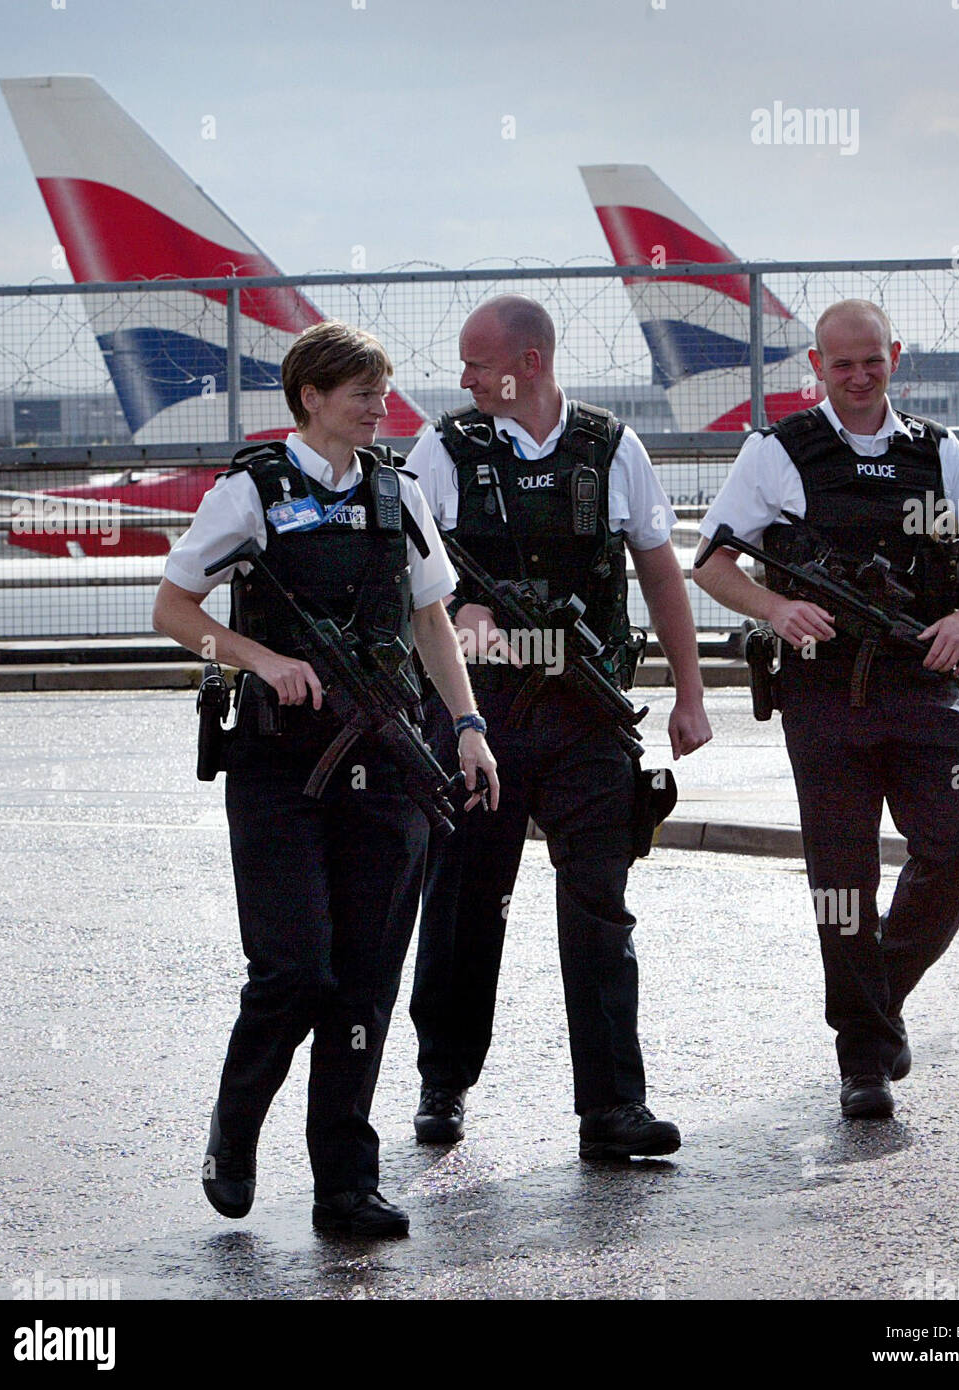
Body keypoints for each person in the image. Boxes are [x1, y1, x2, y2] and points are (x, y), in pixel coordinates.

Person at [152, 320, 498, 1238]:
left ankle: (345, 1183)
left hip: (388, 764)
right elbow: (172, 607)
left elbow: (432, 619)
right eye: (362, 393)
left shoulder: (400, 493)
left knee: (364, 985)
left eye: (381, 392)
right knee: (295, 972)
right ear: (310, 397)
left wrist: (466, 725)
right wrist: (260, 658)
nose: (380, 408)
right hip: (279, 769)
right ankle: (236, 1124)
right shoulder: (251, 490)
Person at [694, 299, 959, 1119]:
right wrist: (773, 610)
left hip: (922, 682)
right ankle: (863, 1059)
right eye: (840, 364)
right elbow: (712, 561)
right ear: (815, 367)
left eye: (870, 359)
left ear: (894, 356)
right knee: (840, 879)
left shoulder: (935, 449)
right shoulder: (776, 451)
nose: (857, 375)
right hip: (824, 693)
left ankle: (872, 998)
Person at [406, 294, 713, 1158]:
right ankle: (444, 1083)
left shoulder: (612, 448)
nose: (462, 378)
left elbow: (659, 572)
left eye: (476, 362)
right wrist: (460, 615)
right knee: (467, 898)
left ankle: (612, 1110)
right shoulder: (444, 449)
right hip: (482, 716)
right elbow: (400, 576)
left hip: (589, 714)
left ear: (528, 364)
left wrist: (689, 695)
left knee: (600, 907)